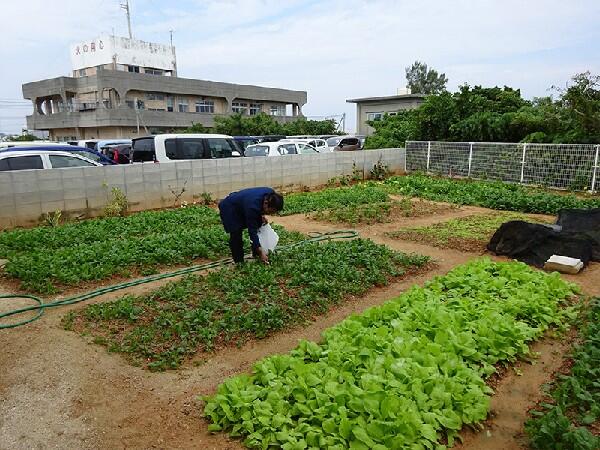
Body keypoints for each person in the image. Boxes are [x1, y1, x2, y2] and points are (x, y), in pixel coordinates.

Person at [218, 187, 284, 264]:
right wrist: (261, 252)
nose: (270, 214)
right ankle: (239, 262)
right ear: (266, 203)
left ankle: (256, 253)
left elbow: (258, 208)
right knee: (236, 233)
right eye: (270, 211)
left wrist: (261, 215)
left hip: (243, 204)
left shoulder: (271, 194)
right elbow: (252, 230)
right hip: (229, 207)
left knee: (259, 223)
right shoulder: (252, 207)